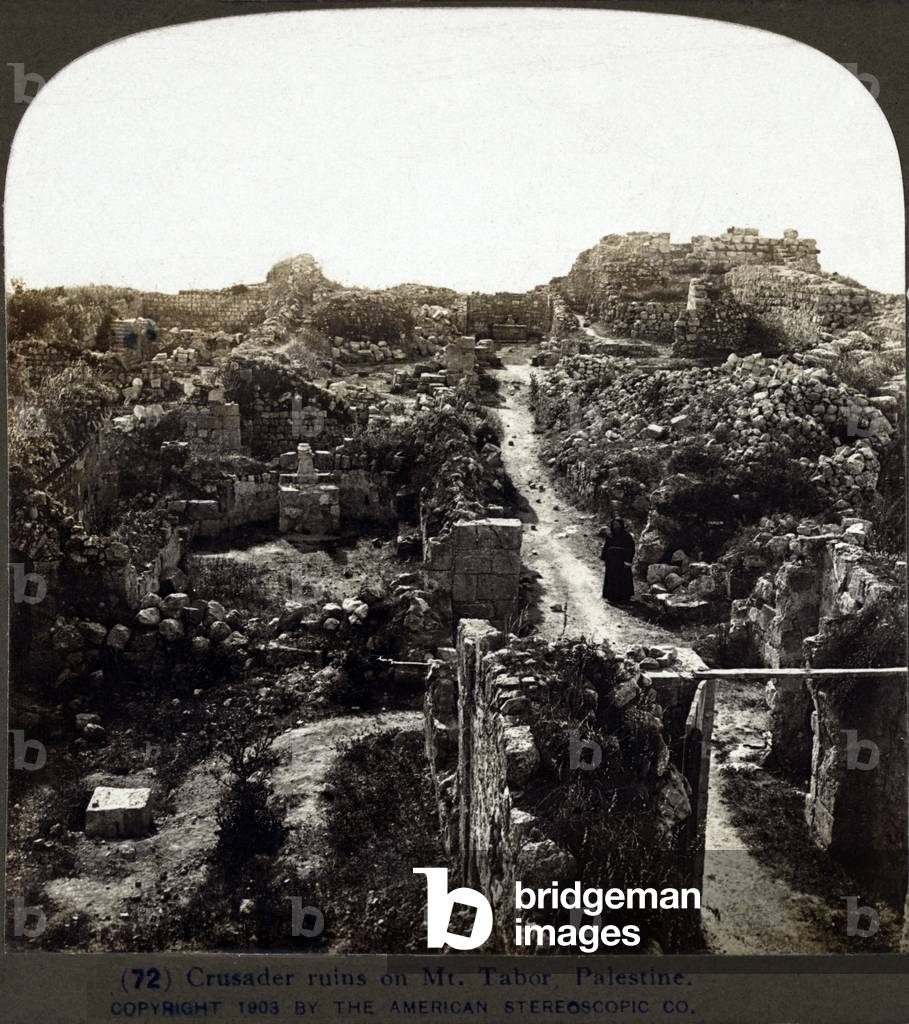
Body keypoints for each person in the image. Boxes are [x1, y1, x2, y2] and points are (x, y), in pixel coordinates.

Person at [600, 516, 635, 604]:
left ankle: (623, 598)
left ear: (621, 525)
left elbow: (631, 549)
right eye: (614, 524)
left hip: (622, 561)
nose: (616, 526)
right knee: (612, 578)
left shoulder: (627, 536)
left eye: (617, 524)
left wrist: (628, 562)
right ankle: (611, 597)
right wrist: (604, 557)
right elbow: (606, 546)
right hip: (611, 561)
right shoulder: (610, 536)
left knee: (623, 579)